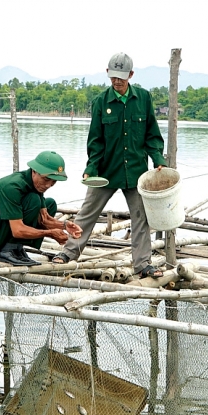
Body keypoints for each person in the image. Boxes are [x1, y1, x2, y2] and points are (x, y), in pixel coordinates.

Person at [53, 52, 166, 278]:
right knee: (87, 213)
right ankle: (68, 253)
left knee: (141, 217)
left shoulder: (143, 98)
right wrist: (91, 168)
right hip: (105, 171)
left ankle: (143, 265)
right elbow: (95, 141)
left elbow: (152, 135)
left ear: (131, 75)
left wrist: (158, 159)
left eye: (121, 77)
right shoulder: (100, 102)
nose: (117, 81)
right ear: (107, 73)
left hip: (135, 172)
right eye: (113, 76)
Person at [0, 151, 82, 266]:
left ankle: (17, 249)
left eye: (53, 182)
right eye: (46, 179)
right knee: (33, 200)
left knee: (50, 203)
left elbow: (44, 219)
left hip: (2, 228)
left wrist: (65, 225)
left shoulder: (36, 185)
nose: (48, 185)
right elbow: (17, 230)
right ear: (34, 171)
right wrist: (50, 233)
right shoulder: (12, 186)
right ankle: (7, 250)